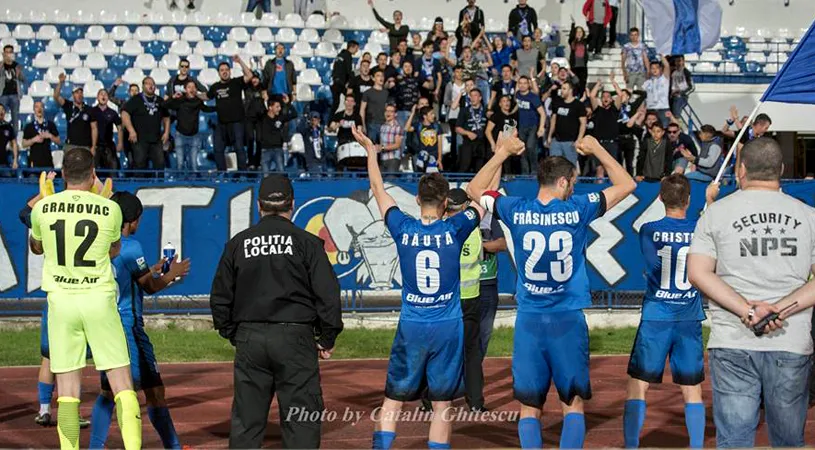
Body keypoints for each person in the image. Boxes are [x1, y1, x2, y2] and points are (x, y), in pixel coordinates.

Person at [467, 134, 636, 449]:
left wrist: (501, 153)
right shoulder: (579, 208)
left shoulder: (514, 208)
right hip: (567, 318)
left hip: (530, 320)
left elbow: (473, 189)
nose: (574, 187)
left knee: (529, 406)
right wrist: (599, 149)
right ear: (561, 182)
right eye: (571, 181)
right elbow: (627, 184)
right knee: (572, 403)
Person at [351, 126, 483, 450]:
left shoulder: (401, 225)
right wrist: (501, 156)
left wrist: (371, 152)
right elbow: (479, 201)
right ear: (445, 202)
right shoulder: (456, 227)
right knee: (442, 405)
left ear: (416, 198)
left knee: (393, 400)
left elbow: (378, 189)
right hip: (448, 326)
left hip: (412, 324)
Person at [688, 137, 815, 448]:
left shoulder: (716, 214)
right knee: (788, 441)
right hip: (791, 339)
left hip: (733, 339)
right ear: (781, 170)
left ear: (741, 169)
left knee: (734, 441)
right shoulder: (808, 216)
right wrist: (779, 310)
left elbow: (698, 273)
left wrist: (748, 310)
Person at [210, 174, 344, 449]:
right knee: (301, 421)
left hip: (251, 337)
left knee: (246, 422)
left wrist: (233, 333)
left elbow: (220, 297)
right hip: (295, 337)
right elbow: (328, 294)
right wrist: (327, 336)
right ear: (291, 204)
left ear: (259, 206)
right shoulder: (307, 243)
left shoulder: (238, 243)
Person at [28, 147, 141, 450]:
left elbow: (36, 248)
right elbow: (114, 250)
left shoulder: (44, 208)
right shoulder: (110, 208)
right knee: (122, 384)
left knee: (66, 390)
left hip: (62, 302)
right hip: (98, 298)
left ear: (64, 174)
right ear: (93, 176)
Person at [89, 191, 191, 450]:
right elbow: (149, 287)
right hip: (129, 327)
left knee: (149, 389)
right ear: (131, 220)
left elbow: (133, 274)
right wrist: (172, 274)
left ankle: (173, 446)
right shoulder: (131, 246)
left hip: (109, 324)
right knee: (123, 391)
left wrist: (152, 269)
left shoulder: (102, 243)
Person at [623, 174, 714, 448]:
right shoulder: (701, 229)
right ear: (688, 199)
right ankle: (696, 445)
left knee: (639, 384)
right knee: (691, 388)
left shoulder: (648, 229)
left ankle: (631, 444)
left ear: (660, 198)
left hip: (656, 316)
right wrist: (710, 202)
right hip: (688, 316)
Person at [200, 56, 254, 172]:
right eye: (222, 70)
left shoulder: (236, 82)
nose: (224, 72)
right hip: (222, 123)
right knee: (218, 149)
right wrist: (195, 94)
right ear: (219, 73)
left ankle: (243, 175)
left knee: (239, 148)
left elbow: (249, 75)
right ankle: (222, 174)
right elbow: (206, 96)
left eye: (226, 70)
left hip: (237, 123)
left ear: (230, 71)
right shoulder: (215, 87)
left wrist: (240, 61)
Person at [121, 77, 171, 176]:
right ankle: (140, 189)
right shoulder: (136, 99)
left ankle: (160, 188)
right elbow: (124, 113)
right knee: (139, 165)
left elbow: (166, 117)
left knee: (160, 165)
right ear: (143, 86)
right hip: (139, 140)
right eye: (148, 83)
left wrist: (166, 132)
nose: (151, 85)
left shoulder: (160, 100)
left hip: (156, 140)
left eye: (153, 83)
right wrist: (131, 131)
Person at [164, 80, 217, 172]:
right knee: (180, 164)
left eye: (194, 87)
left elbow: (207, 109)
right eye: (189, 87)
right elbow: (164, 105)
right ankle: (180, 184)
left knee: (194, 165)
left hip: (194, 136)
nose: (192, 89)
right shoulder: (179, 101)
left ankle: (194, 184)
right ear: (185, 89)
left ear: (196, 89)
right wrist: (172, 97)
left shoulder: (198, 101)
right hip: (180, 136)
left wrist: (220, 106)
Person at [547, 80, 587, 168]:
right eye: (561, 88)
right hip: (556, 141)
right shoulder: (557, 102)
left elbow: (583, 123)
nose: (562, 90)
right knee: (554, 167)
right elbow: (553, 120)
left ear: (570, 90)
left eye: (564, 89)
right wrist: (549, 136)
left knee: (570, 168)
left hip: (570, 142)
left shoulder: (578, 105)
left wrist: (578, 140)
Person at [54, 74, 95, 154]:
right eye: (76, 92)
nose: (79, 95)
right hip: (70, 146)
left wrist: (93, 146)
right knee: (69, 166)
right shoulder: (68, 105)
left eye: (81, 92)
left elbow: (94, 128)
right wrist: (60, 82)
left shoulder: (89, 109)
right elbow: (56, 96)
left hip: (85, 146)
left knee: (84, 166)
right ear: (73, 95)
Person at [88, 89, 122, 171]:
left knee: (114, 169)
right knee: (92, 171)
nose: (103, 96)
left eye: (105, 94)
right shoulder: (91, 111)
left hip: (109, 145)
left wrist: (120, 143)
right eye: (101, 94)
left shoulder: (113, 113)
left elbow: (119, 128)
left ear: (107, 98)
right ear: (97, 97)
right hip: (95, 146)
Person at [22, 101, 61, 169]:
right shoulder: (29, 126)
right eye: (37, 107)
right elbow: (24, 144)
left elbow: (58, 141)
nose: (39, 109)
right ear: (34, 109)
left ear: (43, 109)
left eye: (41, 107)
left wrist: (50, 136)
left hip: (47, 161)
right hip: (34, 161)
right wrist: (33, 140)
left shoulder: (50, 124)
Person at [331, 41, 360, 114]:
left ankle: (330, 121)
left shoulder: (340, 55)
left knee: (335, 104)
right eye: (356, 48)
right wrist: (353, 81)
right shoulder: (348, 56)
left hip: (335, 82)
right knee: (353, 98)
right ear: (352, 47)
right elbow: (348, 71)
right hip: (341, 83)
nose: (357, 50)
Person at [0, 44, 24, 134]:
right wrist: (3, 61)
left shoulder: (16, 65)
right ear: (4, 53)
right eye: (6, 52)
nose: (8, 54)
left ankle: (14, 138)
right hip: (3, 95)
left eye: (10, 52)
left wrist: (19, 74)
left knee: (15, 118)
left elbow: (23, 79)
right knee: (1, 116)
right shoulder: (1, 65)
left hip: (14, 95)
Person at [0, 103, 19, 172]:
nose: (1, 111)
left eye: (2, 110)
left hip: (3, 163)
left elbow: (14, 143)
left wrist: (15, 160)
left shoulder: (8, 127)